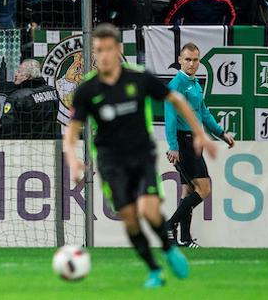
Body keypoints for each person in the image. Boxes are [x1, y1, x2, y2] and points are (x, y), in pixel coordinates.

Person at [64, 24, 211, 288]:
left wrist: (199, 132)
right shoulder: (87, 90)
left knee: (149, 210)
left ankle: (168, 249)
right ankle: (154, 269)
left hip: (141, 155)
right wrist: (73, 159)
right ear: (94, 54)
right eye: (99, 50)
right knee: (131, 218)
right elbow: (72, 130)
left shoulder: (138, 78)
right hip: (111, 161)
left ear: (118, 50)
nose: (104, 55)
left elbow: (175, 101)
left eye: (109, 49)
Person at [164, 43, 235, 247]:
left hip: (193, 141)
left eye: (195, 60)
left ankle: (185, 239)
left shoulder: (194, 84)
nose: (192, 64)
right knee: (204, 189)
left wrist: (221, 134)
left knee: (188, 191)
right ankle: (170, 225)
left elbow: (203, 113)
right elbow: (169, 118)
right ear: (179, 59)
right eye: (188, 59)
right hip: (185, 142)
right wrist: (173, 146)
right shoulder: (175, 85)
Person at [0, 59, 59, 139]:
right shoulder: (52, 92)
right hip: (49, 144)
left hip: (25, 147)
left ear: (28, 76)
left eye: (19, 72)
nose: (15, 75)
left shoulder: (17, 97)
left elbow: (8, 127)